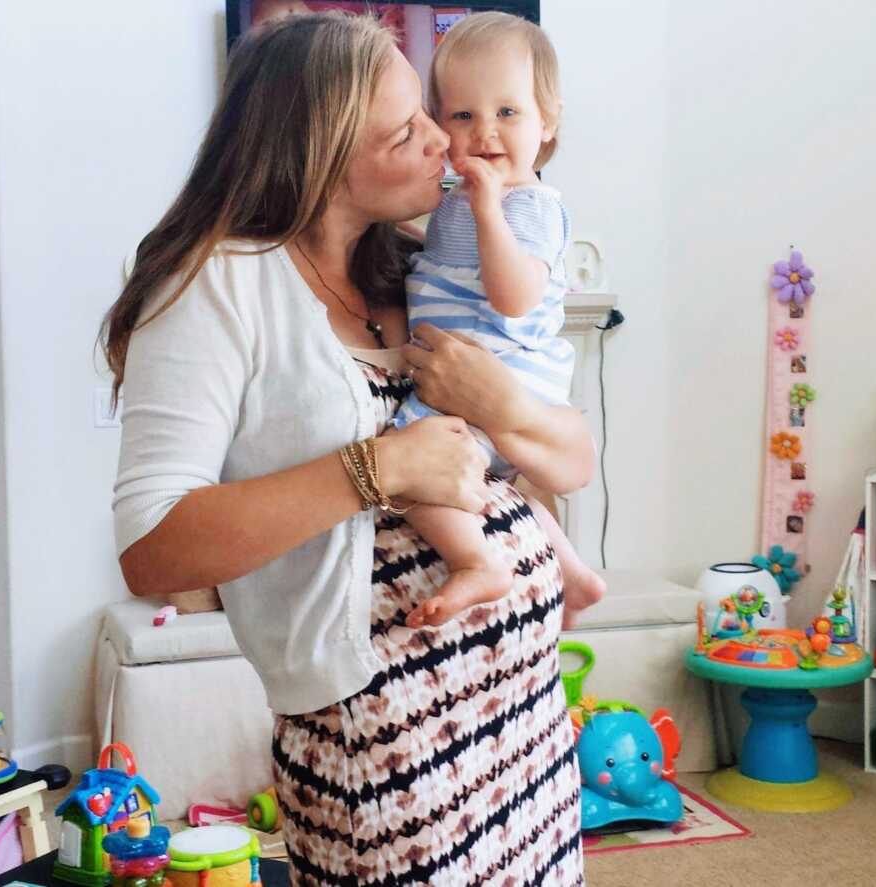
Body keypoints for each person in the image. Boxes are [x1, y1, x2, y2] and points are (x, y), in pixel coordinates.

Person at [102, 12, 590, 885]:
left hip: (528, 729)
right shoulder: (219, 284)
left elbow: (573, 461)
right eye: (411, 128)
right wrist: (380, 469)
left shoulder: (417, 262)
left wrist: (502, 401)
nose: (449, 141)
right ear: (320, 156)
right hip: (392, 762)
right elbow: (153, 547)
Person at [388, 12, 606, 630]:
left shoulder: (529, 205)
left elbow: (514, 296)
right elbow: (446, 259)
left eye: (508, 113)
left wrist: (488, 211)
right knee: (505, 496)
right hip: (477, 377)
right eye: (463, 115)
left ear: (548, 122)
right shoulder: (464, 205)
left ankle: (475, 562)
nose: (485, 131)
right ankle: (572, 573)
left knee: (407, 468)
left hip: (498, 373)